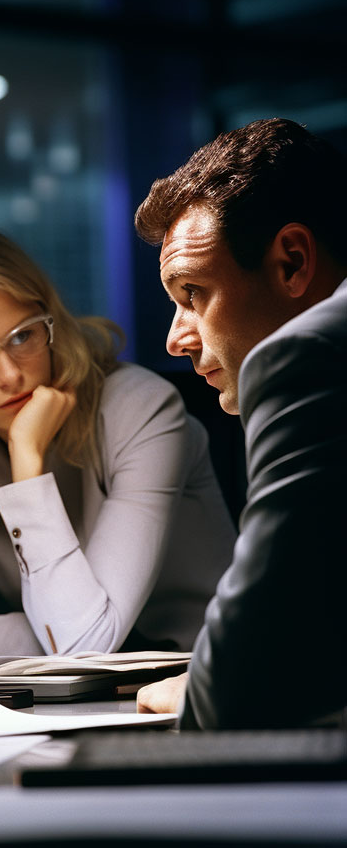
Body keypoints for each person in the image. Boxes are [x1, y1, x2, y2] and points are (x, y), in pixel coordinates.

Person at [0, 218, 236, 671]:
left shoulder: (144, 409)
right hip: (79, 698)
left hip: (209, 683)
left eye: (22, 336)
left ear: (49, 323)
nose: (10, 375)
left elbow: (81, 644)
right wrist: (51, 632)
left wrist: (26, 463)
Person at [133, 118, 347, 728]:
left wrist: (199, 687)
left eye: (193, 292)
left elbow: (237, 685)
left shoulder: (310, 359)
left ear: (292, 262)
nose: (176, 339)